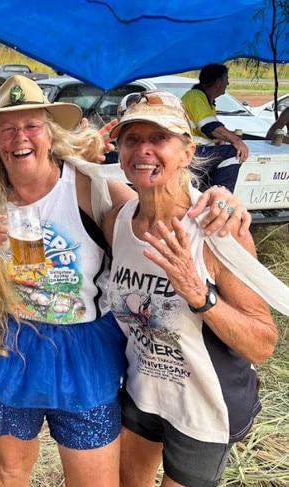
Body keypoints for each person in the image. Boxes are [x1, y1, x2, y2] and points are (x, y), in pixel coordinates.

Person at [0, 75, 247, 486]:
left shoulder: (92, 190)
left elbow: (159, 209)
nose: (20, 137)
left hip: (84, 355)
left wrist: (217, 198)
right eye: (8, 128)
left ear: (50, 135)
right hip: (11, 351)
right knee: (10, 471)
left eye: (32, 125)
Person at [105, 90, 278, 487]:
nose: (143, 150)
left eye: (159, 138)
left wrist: (198, 293)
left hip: (204, 408)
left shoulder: (218, 230)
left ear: (187, 152)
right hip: (142, 392)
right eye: (132, 139)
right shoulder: (118, 220)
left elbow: (263, 344)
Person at [181, 63, 249, 192]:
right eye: (226, 79)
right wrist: (236, 141)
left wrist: (215, 140)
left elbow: (207, 129)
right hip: (191, 151)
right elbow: (209, 126)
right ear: (218, 82)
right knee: (233, 153)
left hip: (194, 149)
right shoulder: (195, 97)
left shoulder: (205, 99)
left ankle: (207, 193)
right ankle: (222, 196)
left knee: (223, 151)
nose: (228, 83)